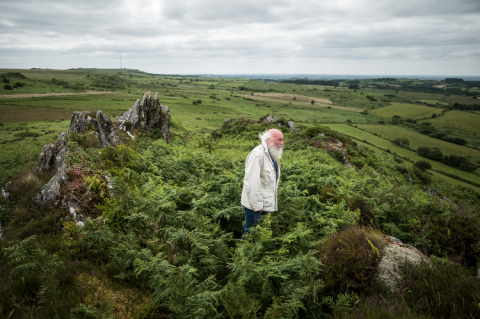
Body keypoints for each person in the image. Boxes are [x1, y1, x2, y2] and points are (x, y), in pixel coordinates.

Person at [241, 128, 284, 235]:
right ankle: (244, 251)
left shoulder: (272, 155)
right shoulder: (257, 154)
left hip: (265, 204)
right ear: (268, 139)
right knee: (251, 232)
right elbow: (251, 182)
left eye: (282, 140)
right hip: (255, 206)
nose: (281, 143)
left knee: (261, 233)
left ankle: (257, 252)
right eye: (279, 140)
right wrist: (257, 205)